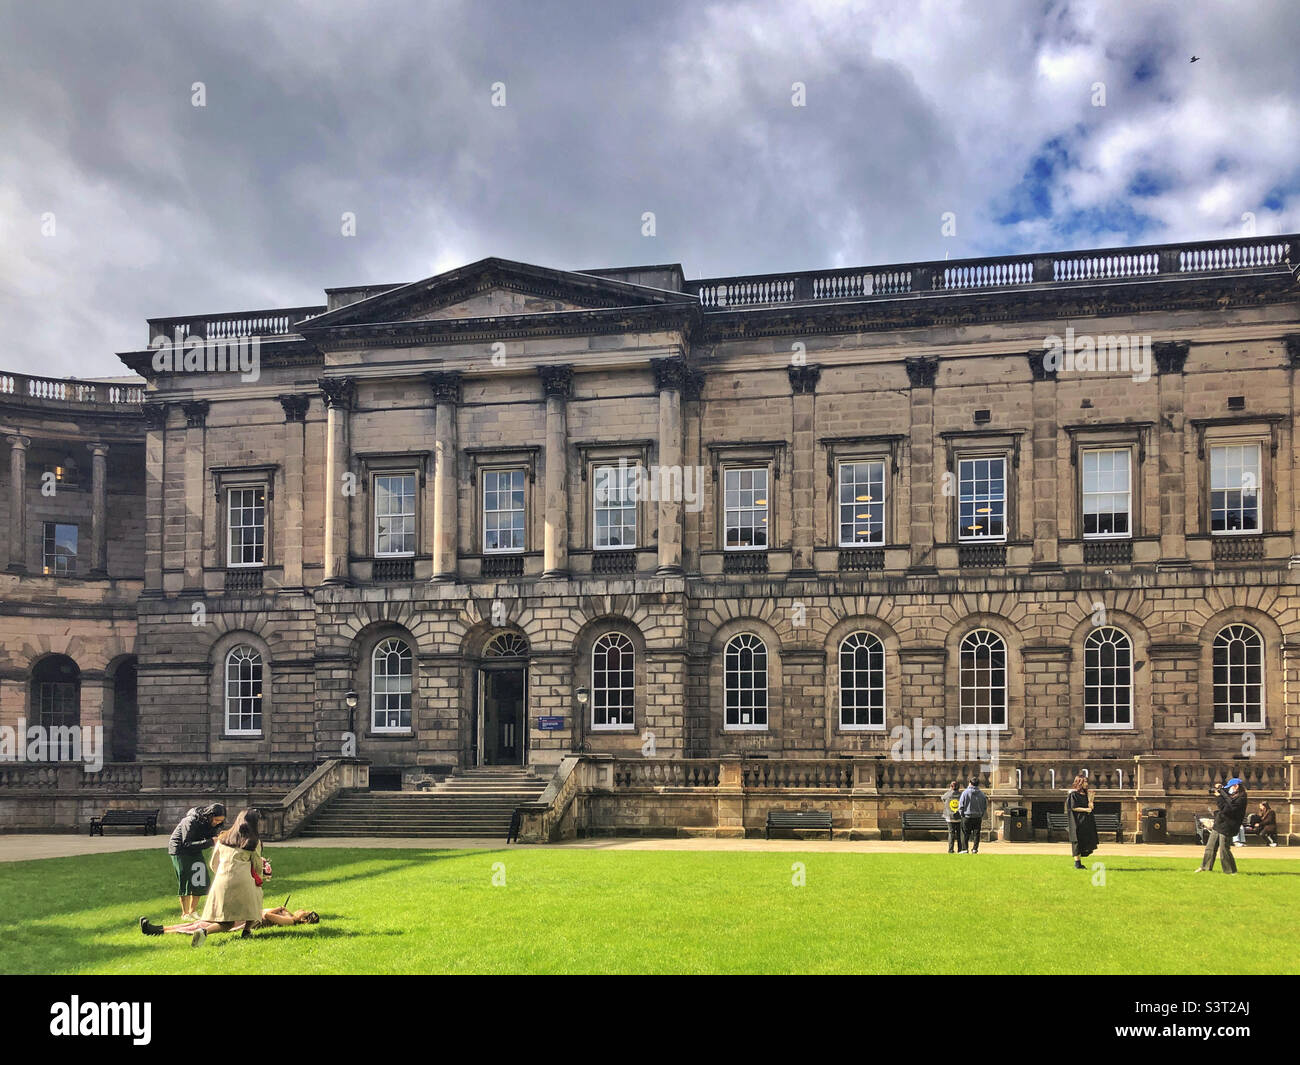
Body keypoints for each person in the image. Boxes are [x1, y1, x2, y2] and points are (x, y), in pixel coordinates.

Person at [197, 808, 269, 935]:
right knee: (255, 899)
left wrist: (221, 875)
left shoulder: (223, 837)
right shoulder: (253, 841)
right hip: (243, 880)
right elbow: (257, 864)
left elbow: (213, 863)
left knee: (226, 921)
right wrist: (261, 877)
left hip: (221, 879)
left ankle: (204, 931)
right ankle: (247, 930)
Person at [140, 907, 319, 947]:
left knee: (199, 925)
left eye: (304, 912)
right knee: (197, 923)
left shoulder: (290, 921)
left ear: (303, 919)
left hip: (244, 921)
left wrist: (280, 909)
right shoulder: (290, 918)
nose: (302, 910)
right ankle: (158, 929)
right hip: (244, 916)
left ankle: (157, 931)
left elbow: (266, 915)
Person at [167, 803, 226, 918]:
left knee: (200, 878)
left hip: (195, 849)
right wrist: (210, 842)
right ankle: (185, 913)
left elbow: (210, 838)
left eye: (220, 821)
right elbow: (186, 843)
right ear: (210, 815)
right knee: (186, 880)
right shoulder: (190, 821)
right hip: (180, 850)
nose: (218, 822)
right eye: (216, 819)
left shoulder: (211, 824)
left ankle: (192, 911)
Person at [1196, 778, 1248, 874]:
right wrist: (1221, 790)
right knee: (1210, 847)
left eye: (1231, 787)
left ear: (1236, 786)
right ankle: (1205, 867)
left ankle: (1230, 870)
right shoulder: (1232, 796)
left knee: (1224, 849)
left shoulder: (1241, 798)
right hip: (1220, 823)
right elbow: (1227, 802)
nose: (1229, 790)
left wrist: (1220, 796)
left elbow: (1228, 808)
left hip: (1228, 826)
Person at [1065, 773, 1098, 869]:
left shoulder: (1086, 794)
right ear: (1079, 782)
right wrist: (1085, 810)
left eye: (1087, 782)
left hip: (1086, 821)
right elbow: (1073, 808)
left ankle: (1079, 862)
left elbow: (1090, 807)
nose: (1086, 784)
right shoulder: (1073, 795)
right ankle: (1077, 863)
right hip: (1077, 821)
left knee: (1085, 839)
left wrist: (1091, 804)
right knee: (1076, 841)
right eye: (1085, 782)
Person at [958, 776, 988, 853]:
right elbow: (984, 806)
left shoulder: (965, 793)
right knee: (976, 834)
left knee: (964, 833)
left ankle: (965, 848)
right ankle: (975, 849)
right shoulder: (982, 794)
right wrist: (981, 814)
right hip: (977, 816)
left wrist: (962, 814)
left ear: (970, 783)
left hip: (967, 816)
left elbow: (961, 805)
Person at [940, 780, 963, 853]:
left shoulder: (948, 794)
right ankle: (960, 849)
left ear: (951, 787)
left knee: (951, 833)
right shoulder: (961, 795)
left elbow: (942, 798)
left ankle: (951, 849)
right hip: (959, 817)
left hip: (949, 817)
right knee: (959, 834)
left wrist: (950, 790)